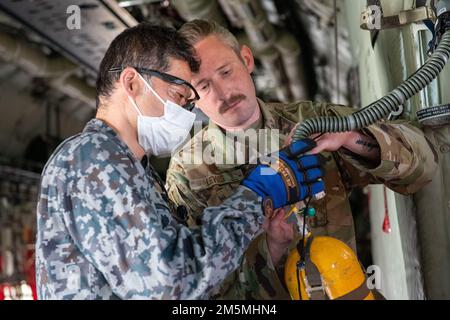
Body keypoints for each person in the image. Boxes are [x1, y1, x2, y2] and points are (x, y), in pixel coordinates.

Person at [35, 23, 325, 300]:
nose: (185, 115)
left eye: (189, 103)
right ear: (132, 82)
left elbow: (190, 276)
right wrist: (254, 195)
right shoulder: (93, 159)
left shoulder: (137, 171)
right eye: (178, 95)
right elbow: (166, 282)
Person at [165, 19, 439, 299]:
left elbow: (424, 165)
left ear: (246, 59)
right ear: (190, 97)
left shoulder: (309, 121)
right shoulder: (189, 174)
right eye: (204, 86)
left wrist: (350, 137)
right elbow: (200, 291)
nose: (224, 92)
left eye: (226, 71)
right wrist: (271, 250)